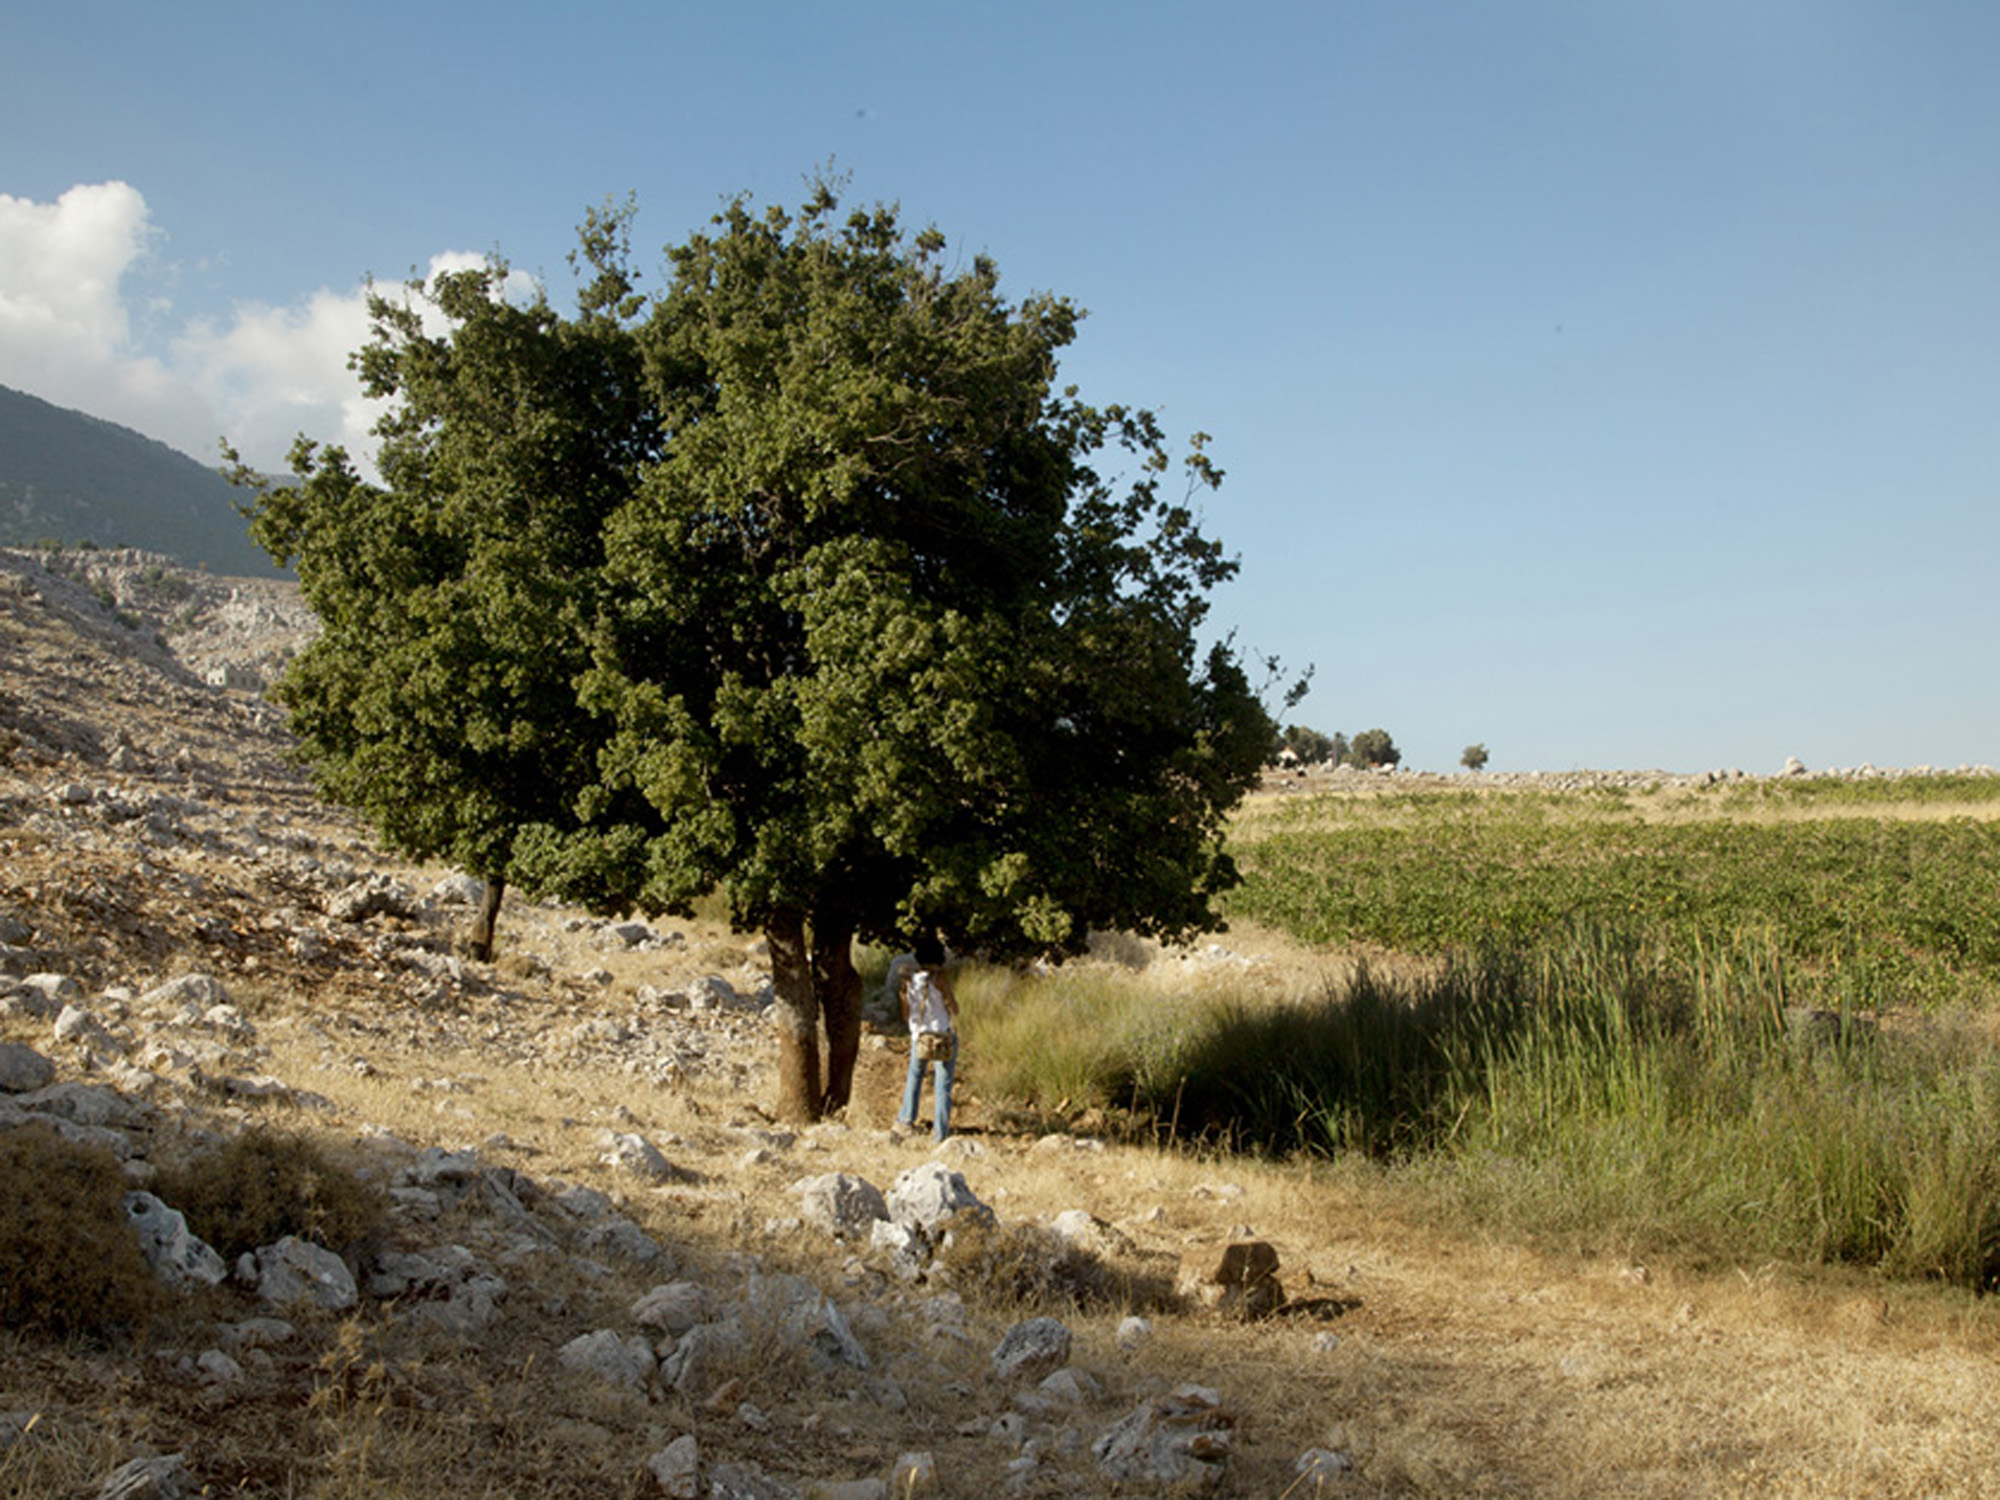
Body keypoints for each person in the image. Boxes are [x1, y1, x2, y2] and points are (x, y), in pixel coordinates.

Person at [895, 936, 959, 1142]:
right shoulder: (940, 980)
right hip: (942, 1035)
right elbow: (954, 1009)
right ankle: (940, 1134)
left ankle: (906, 1119)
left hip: (920, 1037)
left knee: (914, 1077)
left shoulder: (908, 981)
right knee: (943, 1085)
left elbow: (906, 1014)